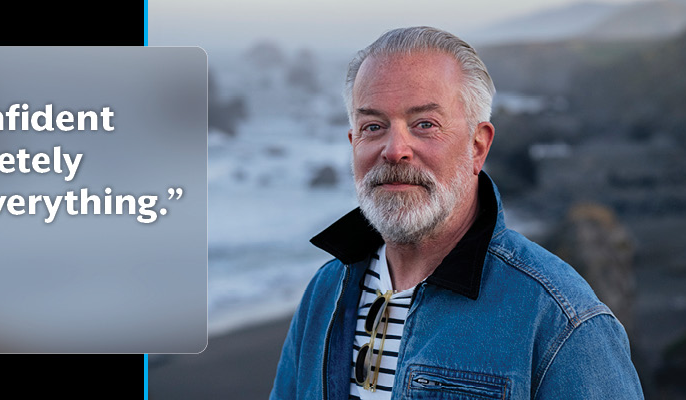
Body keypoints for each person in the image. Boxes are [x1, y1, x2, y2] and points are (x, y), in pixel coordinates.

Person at [270, 26, 643, 399]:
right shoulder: (325, 293)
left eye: (425, 125)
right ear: (353, 144)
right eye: (373, 126)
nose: (394, 149)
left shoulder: (559, 319)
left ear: (478, 146)